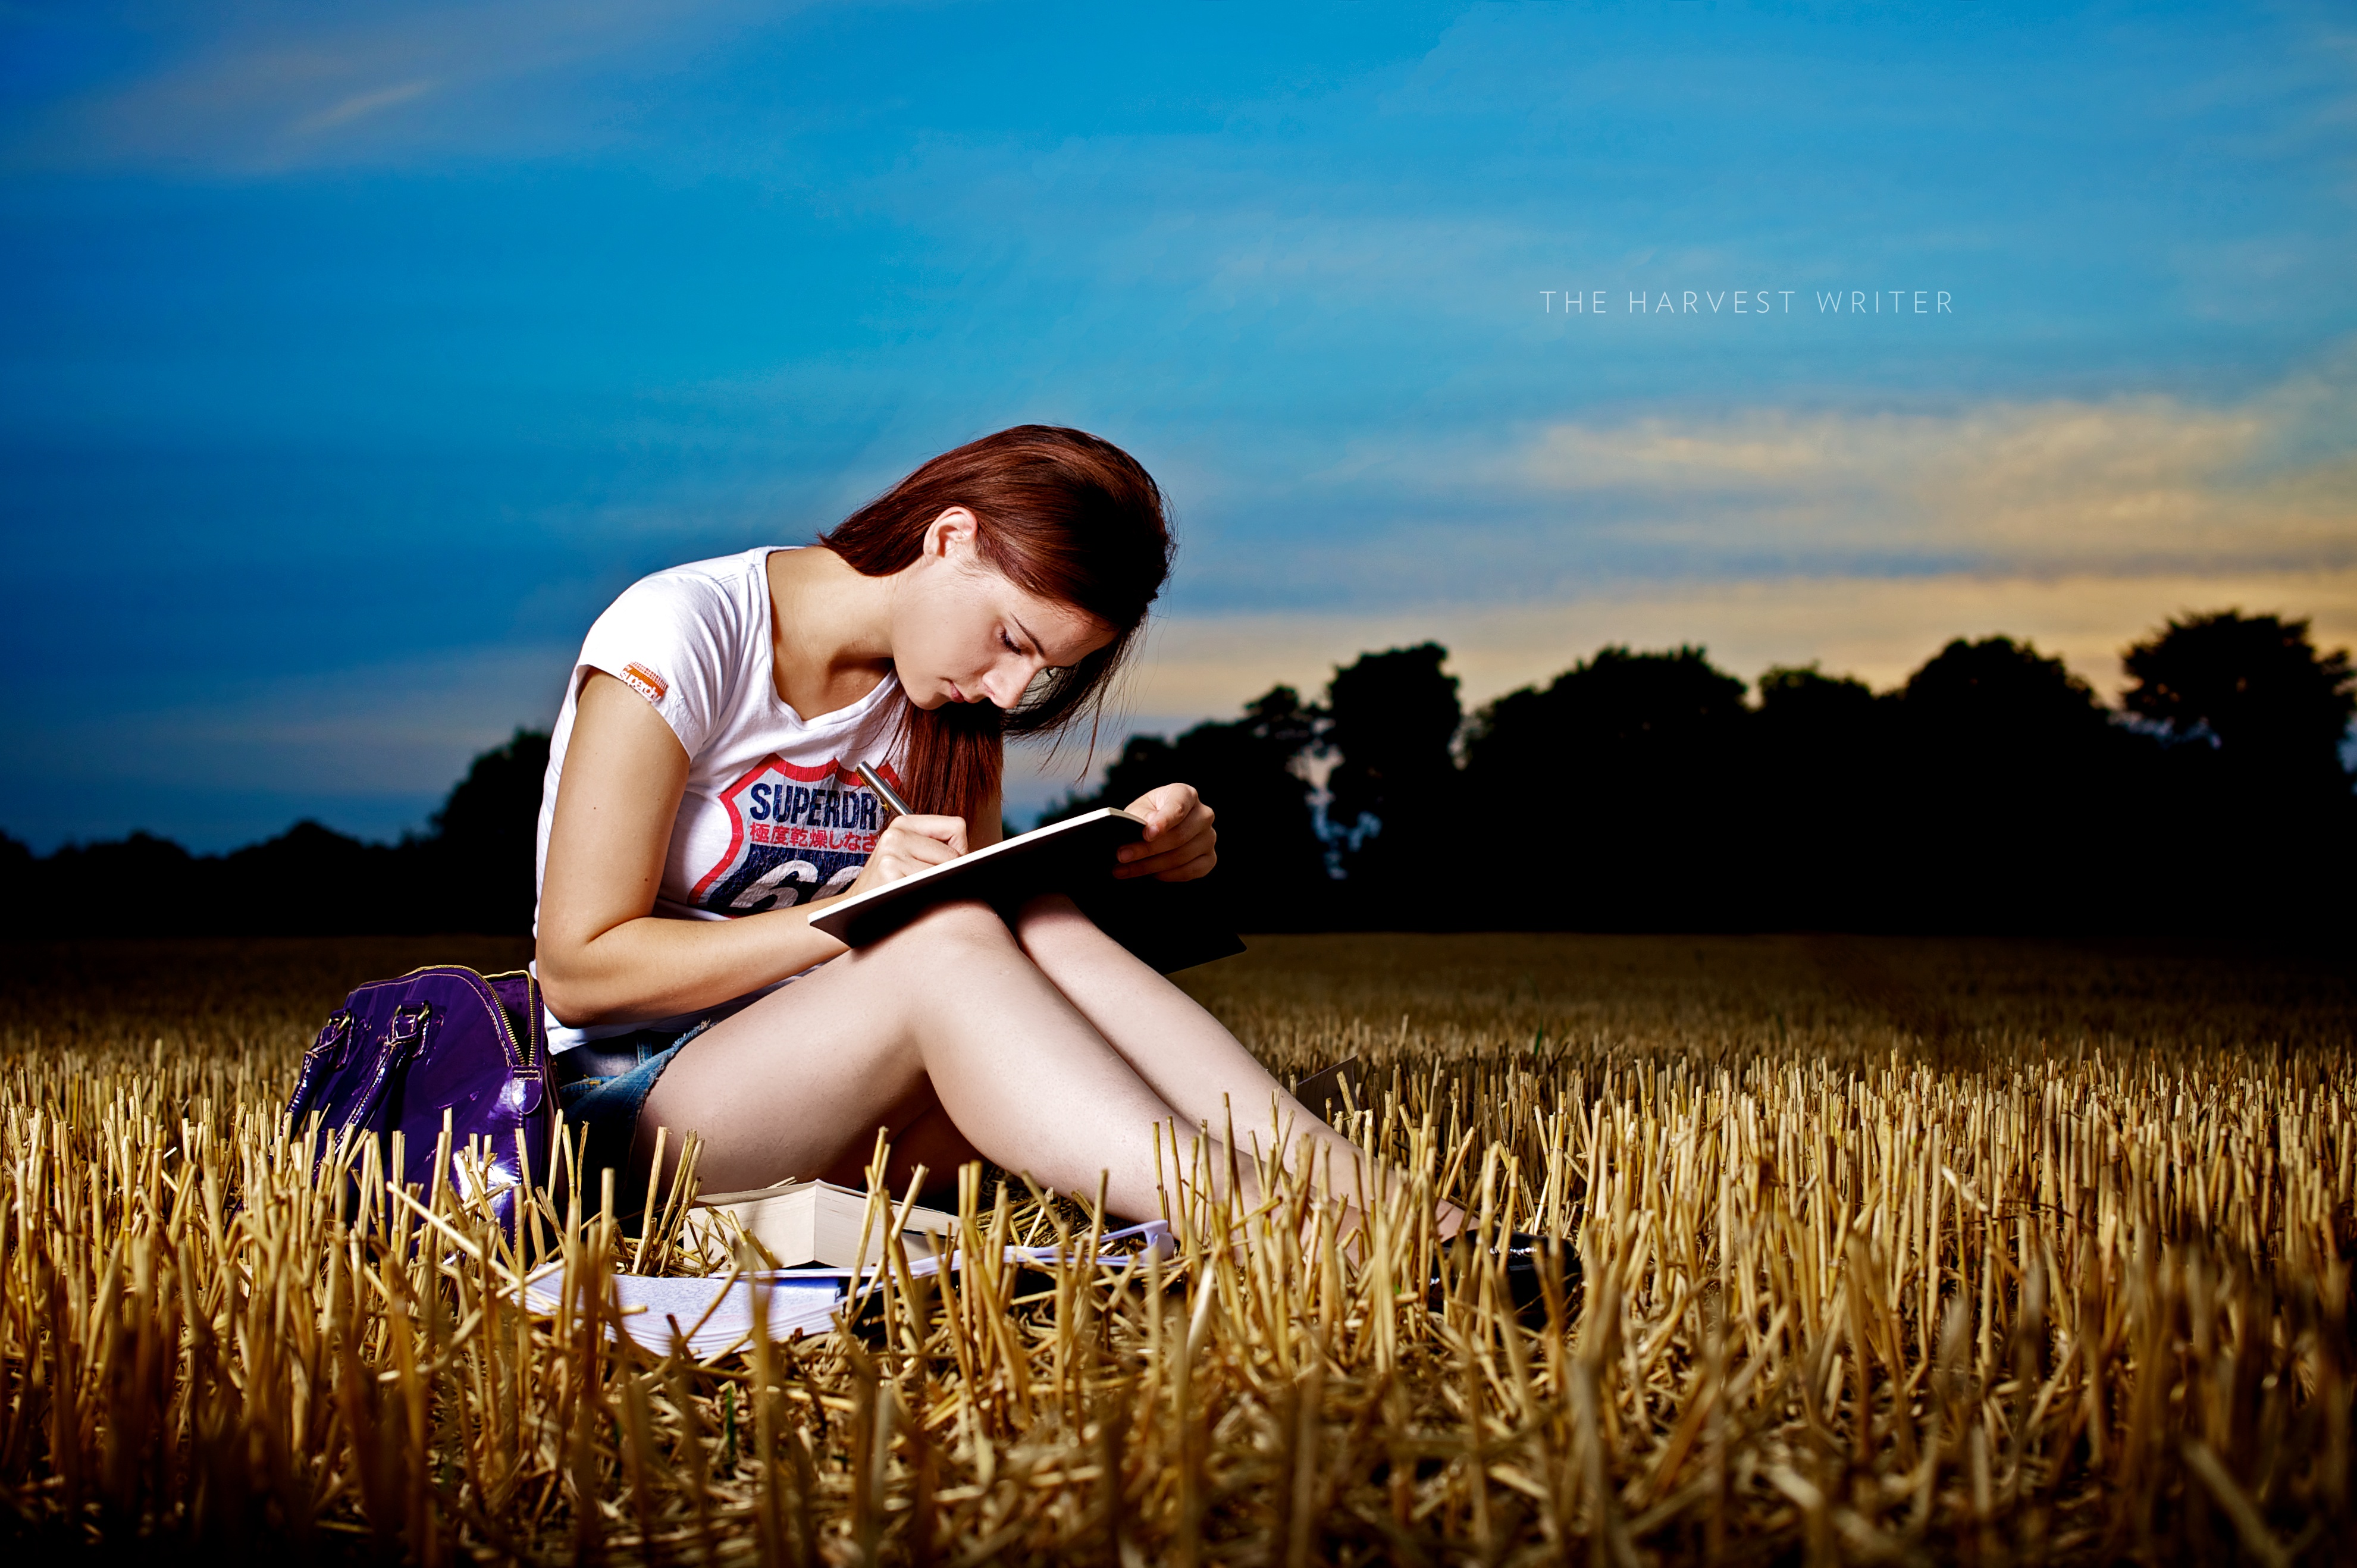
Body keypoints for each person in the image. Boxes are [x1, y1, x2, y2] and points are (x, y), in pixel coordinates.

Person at [531, 425, 1406, 1233]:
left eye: (1044, 668)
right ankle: (1277, 1228)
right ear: (950, 538)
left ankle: (1381, 1203)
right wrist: (848, 914)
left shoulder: (947, 704)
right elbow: (579, 974)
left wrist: (1142, 859)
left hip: (856, 1093)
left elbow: (1001, 948)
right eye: (1012, 640)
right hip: (633, 1107)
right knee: (943, 939)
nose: (1009, 691)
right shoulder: (686, 629)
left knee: (1036, 920)